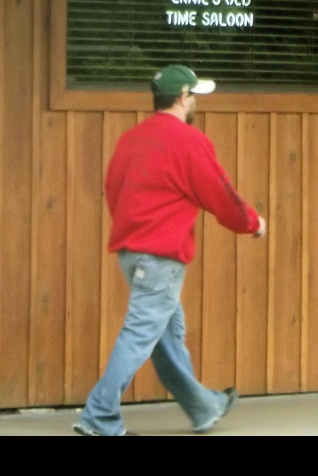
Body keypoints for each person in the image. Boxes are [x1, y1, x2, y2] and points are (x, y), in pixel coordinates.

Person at [73, 64, 266, 436]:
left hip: (132, 254)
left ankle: (204, 407)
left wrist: (136, 229)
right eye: (193, 96)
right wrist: (253, 222)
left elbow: (114, 189)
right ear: (182, 98)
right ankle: (98, 417)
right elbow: (221, 195)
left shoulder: (131, 140)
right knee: (140, 333)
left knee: (166, 334)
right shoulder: (189, 141)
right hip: (160, 256)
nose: (194, 103)